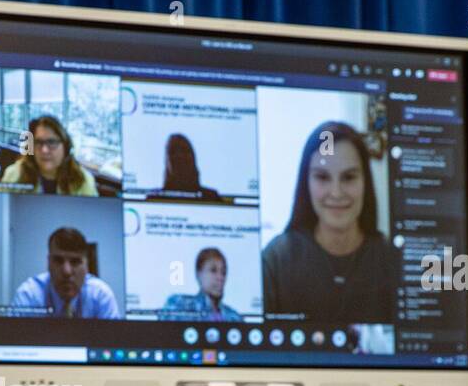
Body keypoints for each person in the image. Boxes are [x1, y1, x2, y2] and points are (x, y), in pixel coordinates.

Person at [261, 121, 399, 325]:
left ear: (365, 182)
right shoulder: (276, 259)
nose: (336, 193)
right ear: (305, 182)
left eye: (349, 177)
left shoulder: (392, 260)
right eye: (322, 177)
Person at [11, 227, 121, 318]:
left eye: (75, 262)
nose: (67, 272)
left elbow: (114, 343)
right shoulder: (28, 295)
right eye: (58, 260)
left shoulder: (100, 296)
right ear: (48, 263)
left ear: (87, 266)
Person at [0, 115, 99, 196]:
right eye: (38, 142)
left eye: (52, 142)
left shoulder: (83, 180)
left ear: (66, 147)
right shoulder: (14, 174)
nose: (44, 150)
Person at [163, 248, 242, 320]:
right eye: (213, 270)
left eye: (223, 272)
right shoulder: (179, 305)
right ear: (198, 274)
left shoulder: (234, 317)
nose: (220, 278)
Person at [151, 133, 220, 200]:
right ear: (167, 161)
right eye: (173, 152)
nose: (179, 156)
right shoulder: (155, 196)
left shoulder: (211, 196)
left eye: (184, 150)